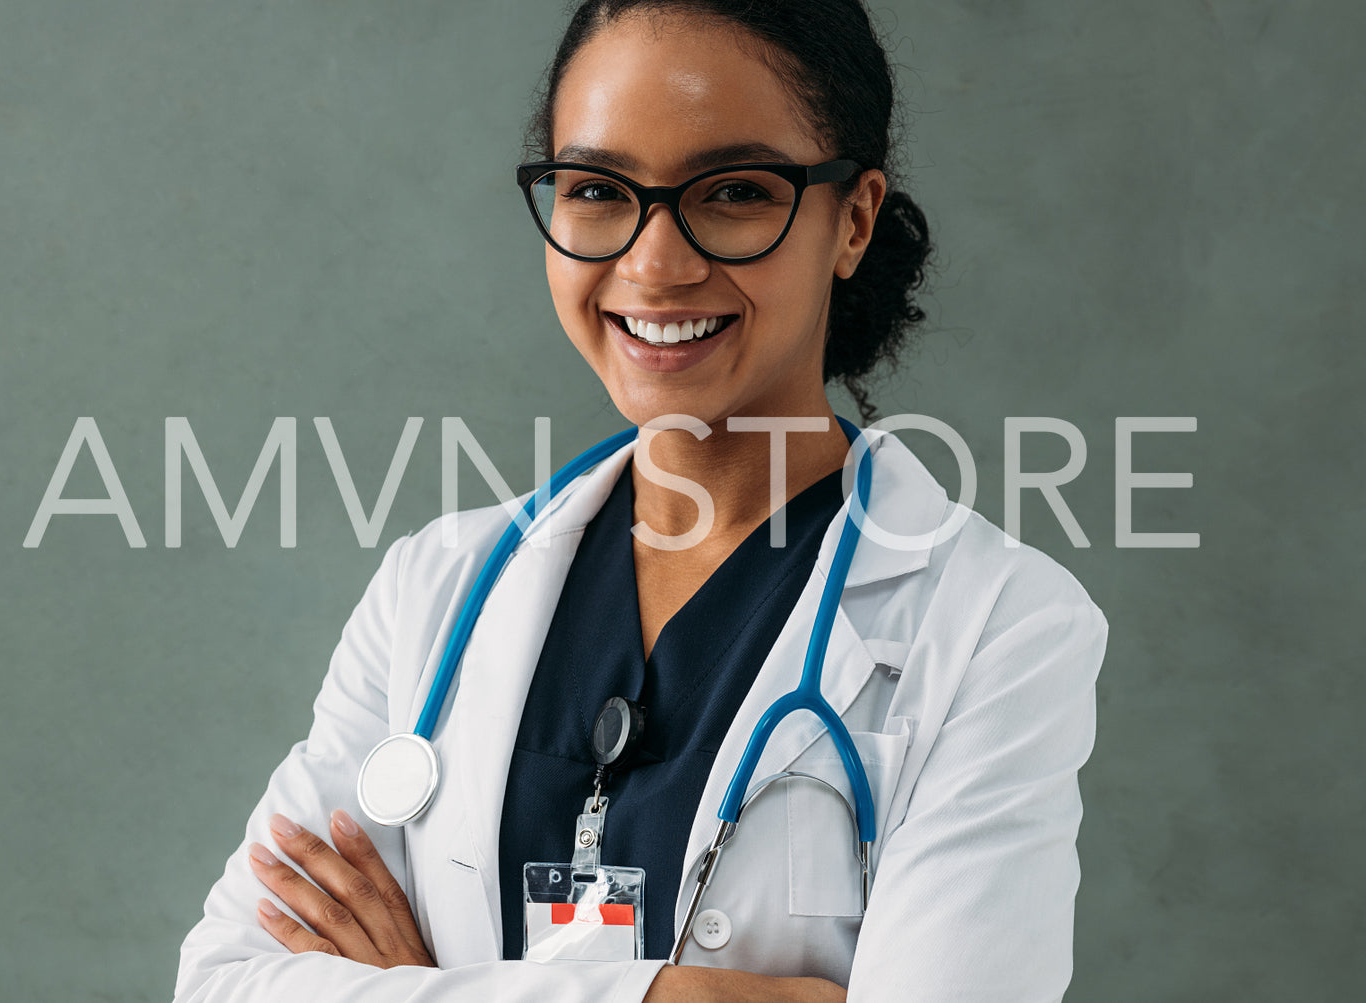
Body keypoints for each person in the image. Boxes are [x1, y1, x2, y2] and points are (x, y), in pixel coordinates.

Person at [174, 1, 1109, 1000]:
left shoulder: (998, 626)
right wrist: (689, 995)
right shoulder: (433, 591)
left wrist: (422, 985)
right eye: (595, 190)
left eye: (736, 192)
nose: (654, 265)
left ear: (853, 219)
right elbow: (227, 980)